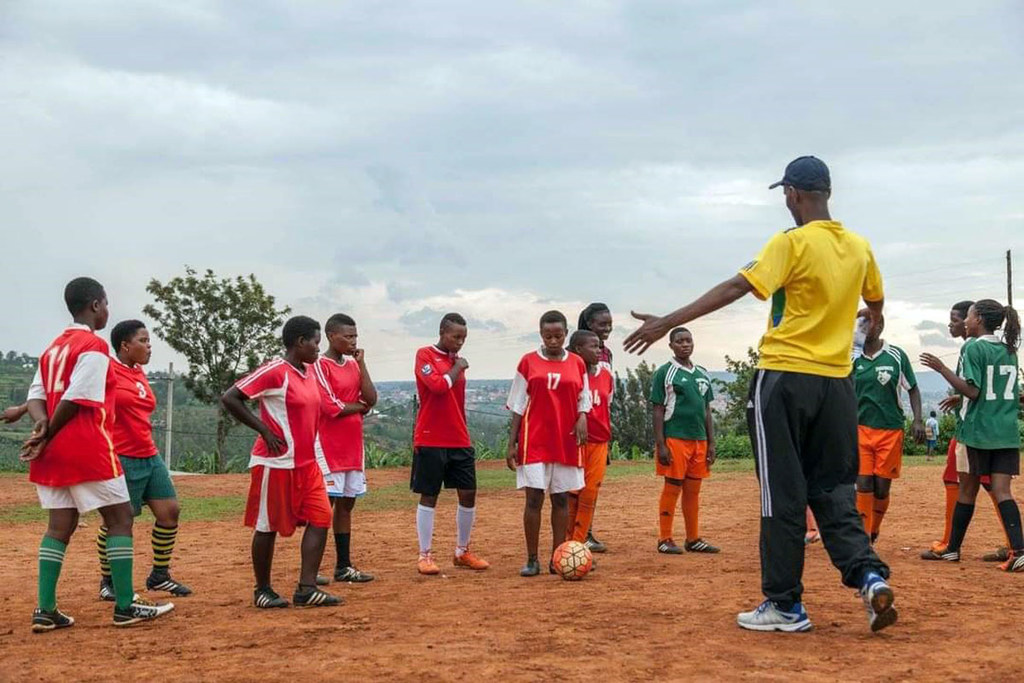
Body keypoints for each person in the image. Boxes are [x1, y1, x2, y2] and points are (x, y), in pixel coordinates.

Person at [624, 156, 895, 633]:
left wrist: (668, 321)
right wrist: (864, 330)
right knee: (833, 491)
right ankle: (869, 577)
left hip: (784, 379)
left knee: (782, 495)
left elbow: (736, 286)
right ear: (827, 192)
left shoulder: (789, 243)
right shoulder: (859, 247)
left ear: (792, 194)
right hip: (837, 384)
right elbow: (874, 306)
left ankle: (784, 604)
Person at [22, 277, 174, 631]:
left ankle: (45, 610)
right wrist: (51, 432)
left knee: (59, 525)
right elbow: (77, 398)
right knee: (120, 518)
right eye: (106, 304)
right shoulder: (92, 347)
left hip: (53, 453)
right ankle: (125, 604)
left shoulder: (52, 349)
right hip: (86, 446)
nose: (107, 310)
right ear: (94, 305)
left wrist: (43, 429)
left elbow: (36, 397)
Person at [221, 316, 341, 608]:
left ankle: (307, 588)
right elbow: (231, 397)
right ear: (300, 342)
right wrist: (263, 429)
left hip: (307, 463)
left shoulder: (310, 371)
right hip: (275, 463)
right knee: (267, 525)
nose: (318, 347)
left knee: (321, 517)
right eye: (315, 341)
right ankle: (262, 590)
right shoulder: (275, 371)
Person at [919, 300, 1024, 571]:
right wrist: (961, 396)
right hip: (1006, 432)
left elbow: (974, 391)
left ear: (978, 320)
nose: (966, 321)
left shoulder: (972, 347)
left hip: (977, 432)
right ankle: (1019, 551)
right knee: (1003, 491)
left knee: (966, 490)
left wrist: (942, 369)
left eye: (969, 316)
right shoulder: (1009, 350)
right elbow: (1000, 391)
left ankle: (952, 549)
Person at [97, 320, 192, 602]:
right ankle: (108, 581)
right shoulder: (107, 371)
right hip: (121, 456)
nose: (149, 346)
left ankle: (159, 576)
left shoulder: (139, 373)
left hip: (149, 454)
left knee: (169, 512)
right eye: (143, 340)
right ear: (125, 346)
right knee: (116, 522)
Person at [507, 310, 592, 576]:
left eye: (558, 335)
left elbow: (583, 397)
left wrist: (582, 417)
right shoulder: (528, 362)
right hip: (534, 440)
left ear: (565, 334)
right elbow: (518, 405)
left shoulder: (577, 363)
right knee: (533, 499)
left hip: (565, 440)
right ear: (541, 335)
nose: (553, 340)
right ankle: (532, 559)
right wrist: (512, 443)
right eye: (548, 336)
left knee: (561, 500)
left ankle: (559, 557)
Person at [411, 313, 490, 575]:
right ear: (442, 332)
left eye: (464, 338)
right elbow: (437, 387)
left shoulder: (455, 360)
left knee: (468, 493)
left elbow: (455, 398)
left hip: (459, 437)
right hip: (431, 436)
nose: (460, 342)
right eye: (456, 336)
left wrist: (456, 366)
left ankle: (462, 551)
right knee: (429, 495)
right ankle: (425, 555)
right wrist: (458, 368)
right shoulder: (425, 355)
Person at [312, 313, 377, 584]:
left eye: (355, 336)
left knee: (347, 505)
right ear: (331, 336)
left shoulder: (353, 364)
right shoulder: (320, 365)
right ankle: (311, 569)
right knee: (323, 507)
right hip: (328, 446)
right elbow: (331, 407)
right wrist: (359, 408)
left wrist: (362, 365)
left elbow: (371, 398)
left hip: (353, 447)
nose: (353, 341)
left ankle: (344, 565)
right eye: (347, 336)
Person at [852, 310, 924, 543]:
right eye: (859, 323)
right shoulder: (851, 358)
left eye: (868, 323)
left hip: (890, 430)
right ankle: (863, 539)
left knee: (881, 488)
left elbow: (912, 388)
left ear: (880, 325)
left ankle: (874, 528)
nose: (863, 328)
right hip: (859, 429)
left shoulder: (895, 355)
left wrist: (918, 419)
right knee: (863, 483)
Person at [650, 327, 720, 554]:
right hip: (675, 438)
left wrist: (711, 442)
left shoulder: (701, 373)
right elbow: (658, 409)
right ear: (671, 346)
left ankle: (693, 538)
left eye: (688, 340)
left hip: (699, 440)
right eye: (679, 341)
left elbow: (707, 409)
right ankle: (665, 538)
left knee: (693, 490)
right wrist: (661, 444)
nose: (685, 344)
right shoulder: (665, 372)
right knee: (672, 487)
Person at [565, 330, 612, 548]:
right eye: (594, 346)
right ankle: (567, 544)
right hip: (575, 442)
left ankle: (579, 543)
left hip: (599, 441)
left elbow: (606, 405)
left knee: (590, 493)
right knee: (572, 493)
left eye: (599, 346)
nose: (599, 350)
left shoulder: (606, 374)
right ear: (578, 350)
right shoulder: (570, 374)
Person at [577, 303, 614, 553]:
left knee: (592, 484)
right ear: (590, 324)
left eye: (610, 324)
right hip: (578, 430)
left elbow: (608, 393)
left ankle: (586, 531)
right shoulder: (576, 353)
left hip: (599, 428)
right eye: (603, 324)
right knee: (573, 485)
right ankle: (575, 533)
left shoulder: (607, 354)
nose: (608, 328)